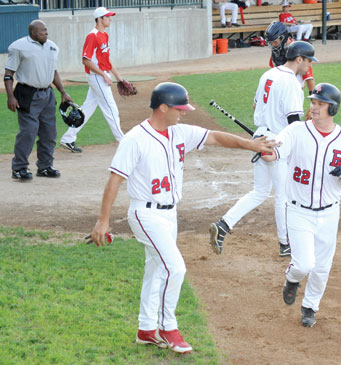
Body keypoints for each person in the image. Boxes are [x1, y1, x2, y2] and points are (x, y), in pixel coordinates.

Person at [88, 82, 272, 354]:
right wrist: (102, 221)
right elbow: (115, 181)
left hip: (169, 213)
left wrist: (251, 145)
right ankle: (168, 328)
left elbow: (217, 137)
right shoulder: (134, 140)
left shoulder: (179, 133)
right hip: (145, 213)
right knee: (176, 268)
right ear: (163, 107)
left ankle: (146, 329)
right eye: (180, 108)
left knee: (157, 268)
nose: (184, 113)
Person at [262, 83, 341, 327]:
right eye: (313, 102)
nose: (314, 107)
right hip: (298, 210)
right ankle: (292, 277)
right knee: (304, 264)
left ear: (333, 109)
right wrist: (265, 149)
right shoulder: (296, 130)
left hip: (329, 213)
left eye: (320, 103)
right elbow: (277, 151)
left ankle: (310, 307)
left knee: (322, 267)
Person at [209, 41, 318, 257]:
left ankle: (223, 225)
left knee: (259, 191)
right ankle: (285, 243)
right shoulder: (291, 83)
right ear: (299, 59)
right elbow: (293, 121)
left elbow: (255, 105)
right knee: (282, 196)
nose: (309, 66)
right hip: (277, 141)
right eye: (308, 61)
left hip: (260, 137)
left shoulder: (268, 75)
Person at [4, 20, 73, 180]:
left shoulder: (52, 47)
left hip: (47, 94)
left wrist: (63, 91)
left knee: (49, 132)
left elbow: (53, 71)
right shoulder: (18, 47)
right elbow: (8, 74)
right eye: (42, 31)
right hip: (27, 94)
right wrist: (10, 96)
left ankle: (45, 166)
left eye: (46, 30)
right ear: (33, 33)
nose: (46, 33)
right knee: (28, 132)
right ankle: (19, 168)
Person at [60, 7, 126, 153]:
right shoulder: (93, 36)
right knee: (111, 109)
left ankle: (68, 138)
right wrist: (104, 75)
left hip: (101, 75)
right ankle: (123, 141)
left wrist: (119, 78)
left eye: (110, 17)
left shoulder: (105, 35)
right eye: (107, 17)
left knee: (87, 109)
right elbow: (85, 60)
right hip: (96, 77)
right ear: (99, 19)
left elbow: (107, 59)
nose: (110, 19)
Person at [265, 21, 315, 119]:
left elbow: (309, 80)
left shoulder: (298, 51)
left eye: (275, 41)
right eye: (271, 43)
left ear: (283, 38)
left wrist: (312, 105)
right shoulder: (277, 52)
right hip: (279, 95)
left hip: (293, 96)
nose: (273, 45)